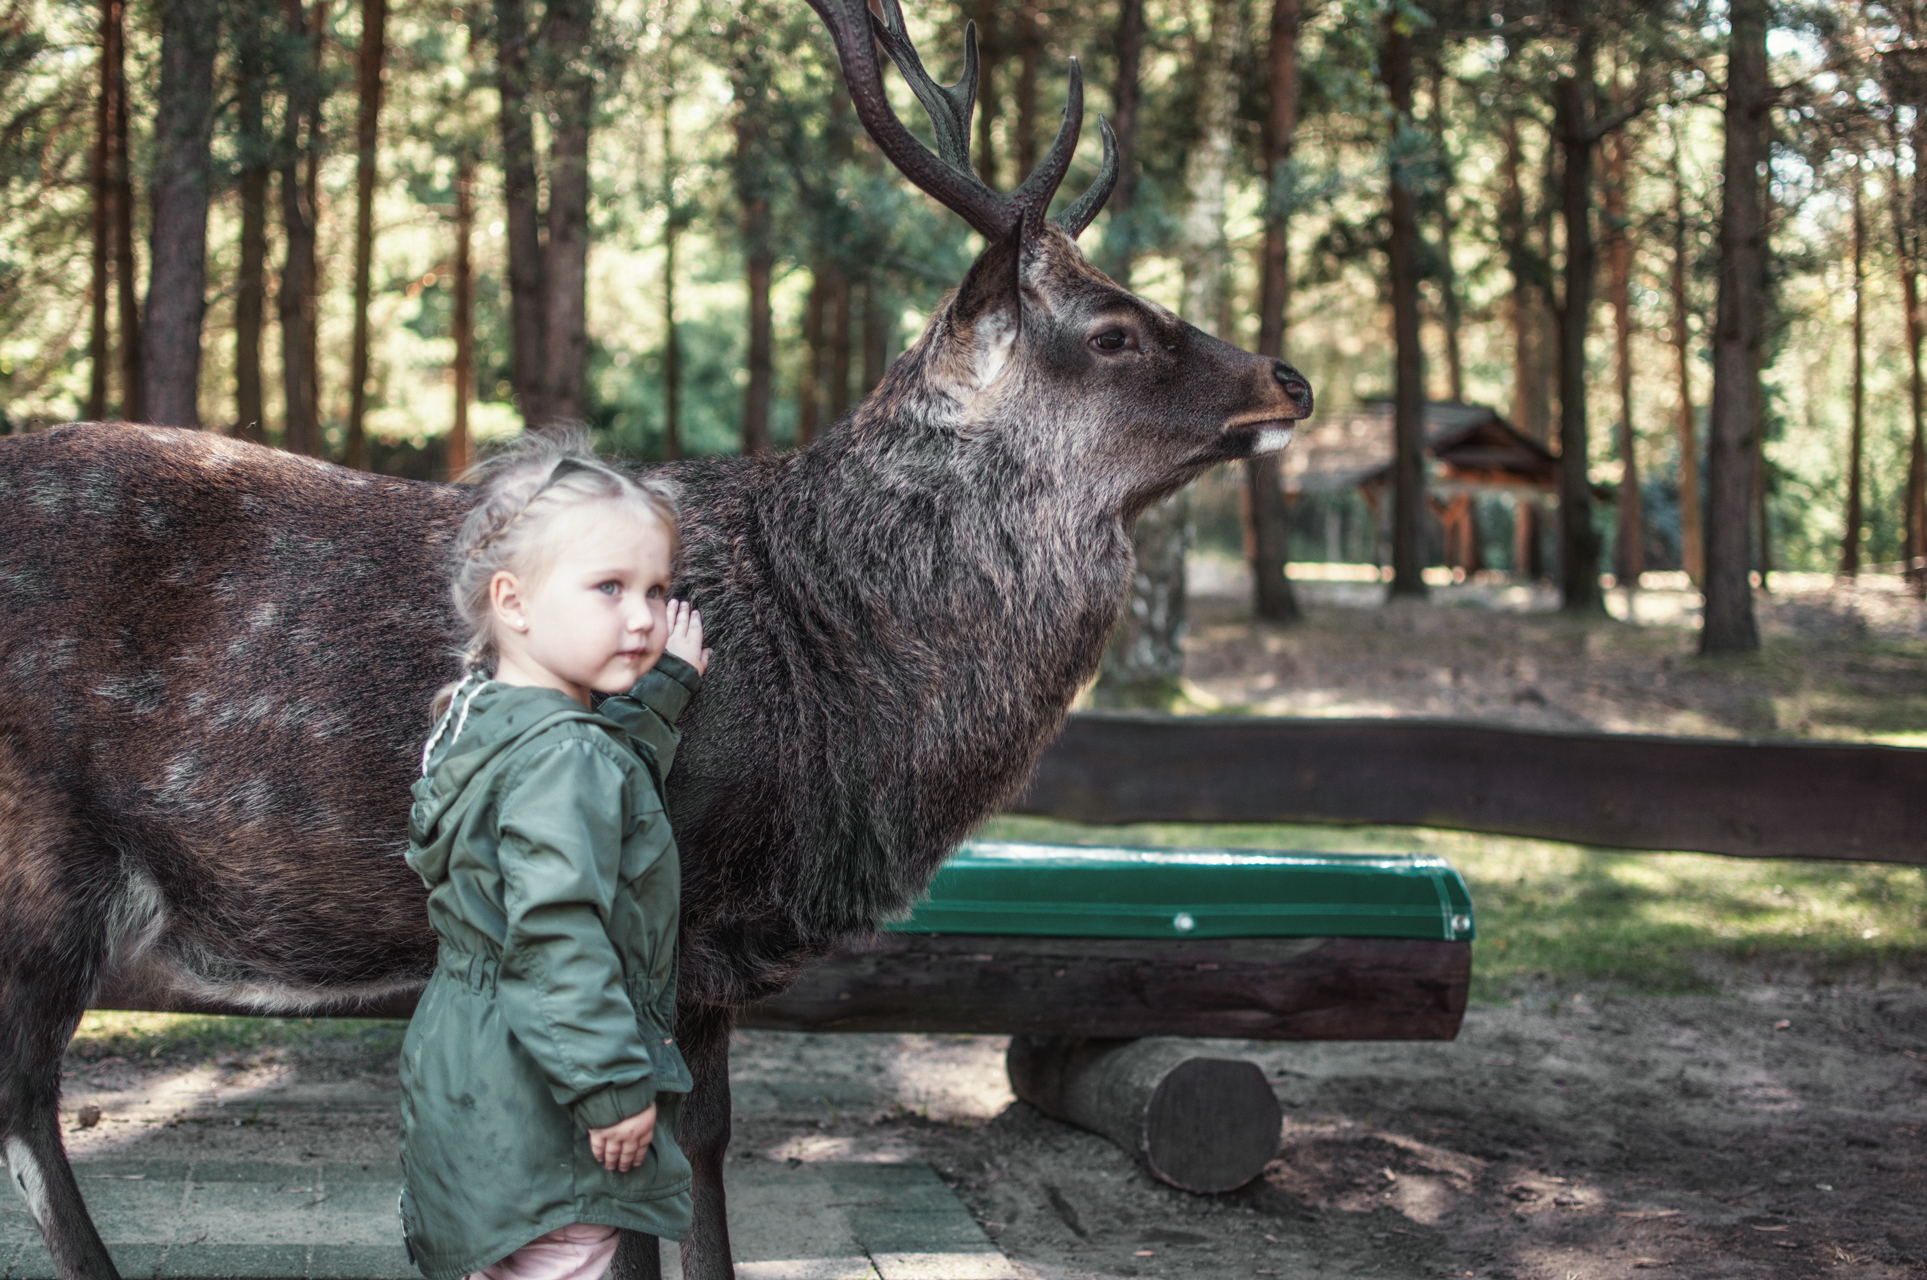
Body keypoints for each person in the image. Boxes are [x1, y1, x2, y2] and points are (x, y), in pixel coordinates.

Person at [398, 434, 710, 1280]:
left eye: (656, 588)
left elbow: (594, 785)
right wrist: (613, 1089)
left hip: (471, 1068)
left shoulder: (482, 716)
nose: (643, 617)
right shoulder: (564, 757)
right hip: (548, 1095)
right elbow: (557, 934)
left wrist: (662, 692)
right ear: (515, 602)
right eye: (609, 587)